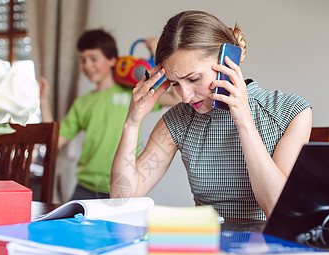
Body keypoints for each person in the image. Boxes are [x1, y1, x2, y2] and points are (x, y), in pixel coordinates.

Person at [110, 11, 312, 221]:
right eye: (176, 84)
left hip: (268, 246)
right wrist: (132, 122)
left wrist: (243, 122)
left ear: (228, 62)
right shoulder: (178, 120)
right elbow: (122, 199)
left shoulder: (290, 111)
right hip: (206, 246)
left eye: (194, 78)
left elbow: (278, 211)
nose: (185, 97)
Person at [39, 29, 179, 200]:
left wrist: (159, 52)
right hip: (84, 189)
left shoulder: (135, 93)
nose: (87, 65)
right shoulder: (82, 103)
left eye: (93, 59)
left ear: (113, 60)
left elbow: (175, 98)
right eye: (82, 60)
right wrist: (43, 101)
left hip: (123, 187)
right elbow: (54, 141)